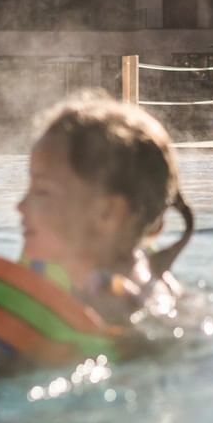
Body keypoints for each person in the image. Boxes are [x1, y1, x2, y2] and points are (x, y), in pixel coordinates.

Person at [17, 91, 194, 326]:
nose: (20, 206)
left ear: (107, 214)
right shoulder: (148, 275)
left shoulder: (107, 301)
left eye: (42, 191)